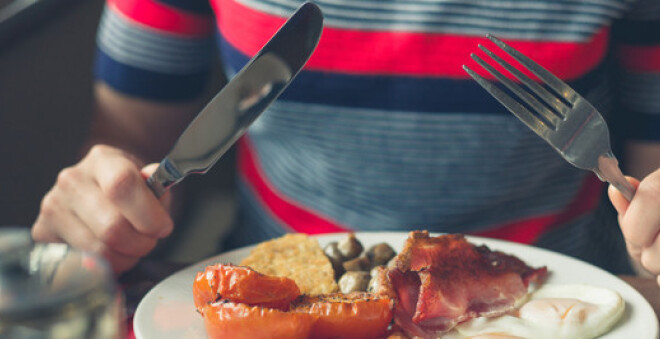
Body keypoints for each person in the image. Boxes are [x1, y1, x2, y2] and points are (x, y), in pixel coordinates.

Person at [32, 0, 660, 284]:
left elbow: (650, 187)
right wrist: (105, 212)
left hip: (558, 305)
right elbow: (127, 140)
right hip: (276, 315)